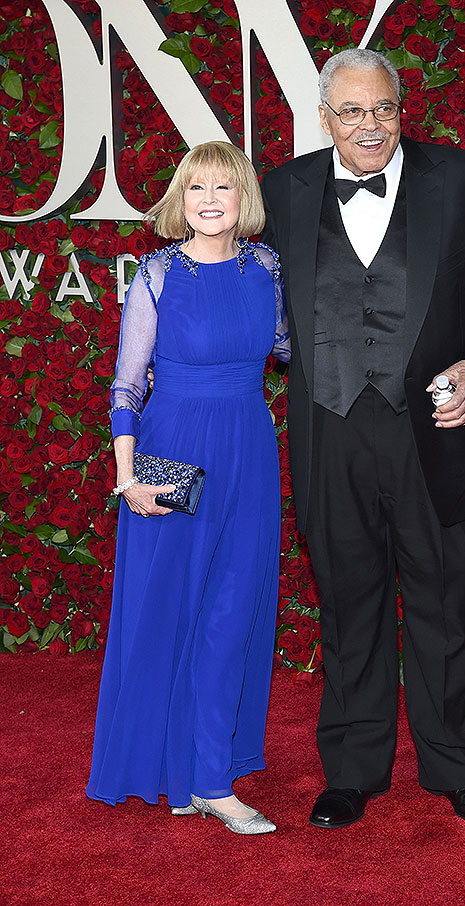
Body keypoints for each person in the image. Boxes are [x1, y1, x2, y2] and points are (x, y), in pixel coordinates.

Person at [260, 48, 465, 829]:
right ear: (325, 118)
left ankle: (454, 767)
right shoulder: (283, 187)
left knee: (444, 599)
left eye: (382, 108)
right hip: (331, 431)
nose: (370, 125)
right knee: (349, 604)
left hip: (435, 428)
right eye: (352, 112)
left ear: (401, 107)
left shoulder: (462, 176)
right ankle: (351, 770)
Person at [86, 141, 290, 835]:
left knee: (233, 611)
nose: (209, 199)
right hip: (171, 454)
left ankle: (209, 779)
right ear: (181, 199)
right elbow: (127, 384)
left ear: (243, 201)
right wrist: (126, 474)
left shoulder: (267, 269)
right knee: (168, 611)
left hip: (249, 455)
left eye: (223, 188)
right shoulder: (155, 275)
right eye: (196, 187)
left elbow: (295, 350)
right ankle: (172, 765)